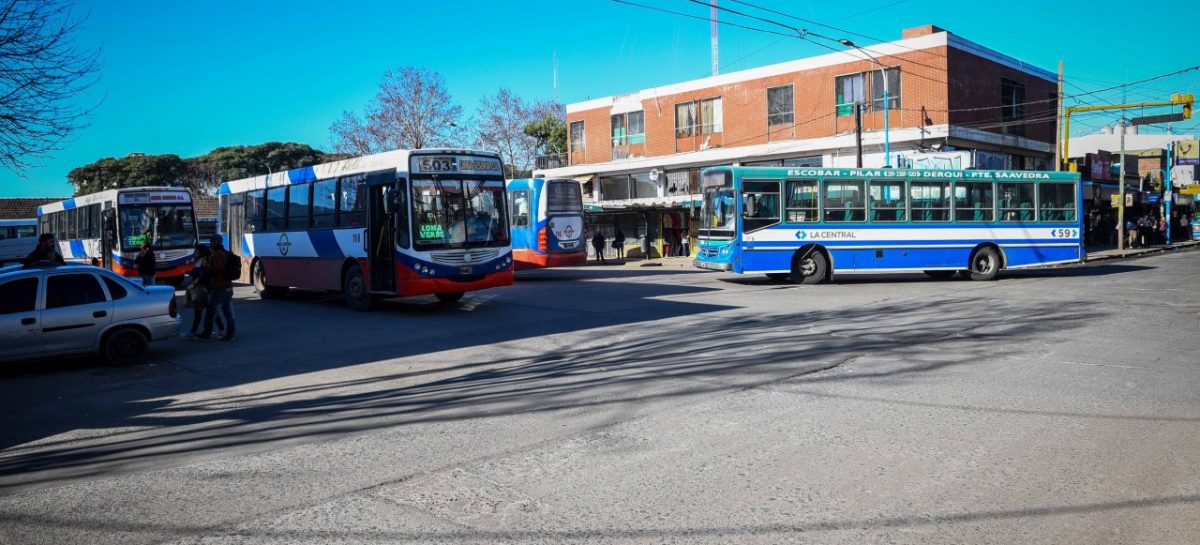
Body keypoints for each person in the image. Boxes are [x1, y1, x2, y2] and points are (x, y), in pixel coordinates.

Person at [198, 235, 236, 341]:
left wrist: (208, 267)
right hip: (228, 286)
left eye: (211, 242)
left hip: (220, 286)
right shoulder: (226, 253)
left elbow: (218, 269)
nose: (210, 244)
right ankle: (230, 334)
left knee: (211, 310)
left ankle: (207, 332)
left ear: (216, 242)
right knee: (228, 311)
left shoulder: (218, 254)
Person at [182, 245, 225, 339]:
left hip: (203, 289)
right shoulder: (207, 259)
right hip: (206, 289)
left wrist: (193, 275)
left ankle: (193, 333)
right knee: (210, 311)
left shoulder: (203, 260)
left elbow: (203, 274)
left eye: (197, 251)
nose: (196, 253)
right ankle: (221, 330)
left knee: (203, 312)